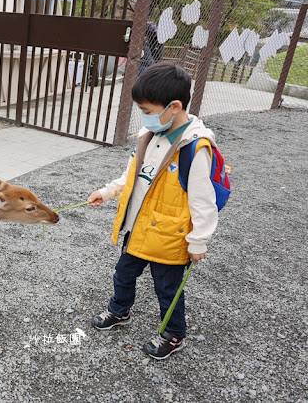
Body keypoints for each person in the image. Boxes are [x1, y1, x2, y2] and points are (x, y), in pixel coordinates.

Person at [87, 62, 218, 360]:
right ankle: (120, 311)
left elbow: (203, 202)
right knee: (123, 274)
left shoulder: (195, 149)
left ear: (174, 106)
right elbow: (131, 176)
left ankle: (174, 334)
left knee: (168, 290)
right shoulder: (149, 135)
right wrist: (107, 192)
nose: (144, 117)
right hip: (138, 228)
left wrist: (198, 241)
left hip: (170, 238)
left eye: (147, 111)